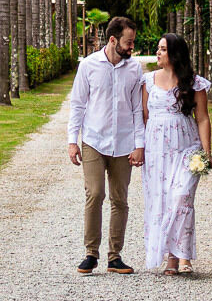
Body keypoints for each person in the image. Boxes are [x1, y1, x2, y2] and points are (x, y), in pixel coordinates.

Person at [67, 15, 146, 275]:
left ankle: (115, 257)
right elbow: (78, 105)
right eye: (128, 42)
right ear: (113, 40)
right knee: (95, 193)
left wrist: (139, 144)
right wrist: (72, 141)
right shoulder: (88, 66)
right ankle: (91, 254)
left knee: (120, 199)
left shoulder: (134, 69)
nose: (132, 47)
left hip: (124, 143)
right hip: (94, 141)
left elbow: (137, 109)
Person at [140, 32, 212, 276]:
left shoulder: (193, 82)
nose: (158, 53)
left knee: (181, 197)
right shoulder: (148, 81)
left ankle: (183, 255)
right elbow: (144, 117)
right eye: (158, 48)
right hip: (156, 151)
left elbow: (202, 118)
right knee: (162, 202)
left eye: (163, 49)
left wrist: (207, 152)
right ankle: (171, 257)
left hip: (186, 148)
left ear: (175, 53)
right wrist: (139, 147)